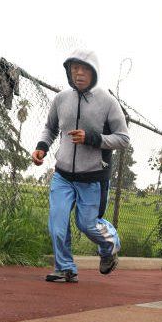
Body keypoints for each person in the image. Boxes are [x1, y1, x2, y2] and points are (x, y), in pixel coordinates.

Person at [30, 49, 129, 283]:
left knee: (87, 225)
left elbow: (123, 138)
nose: (79, 73)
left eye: (84, 69)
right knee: (57, 223)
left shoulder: (107, 101)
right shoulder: (61, 99)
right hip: (63, 175)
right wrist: (41, 147)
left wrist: (93, 138)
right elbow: (51, 127)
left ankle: (110, 245)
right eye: (75, 68)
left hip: (92, 176)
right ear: (69, 71)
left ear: (93, 72)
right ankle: (65, 268)